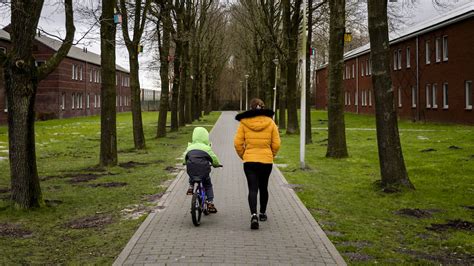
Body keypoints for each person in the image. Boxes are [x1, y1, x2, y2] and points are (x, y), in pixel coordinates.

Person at [234, 98, 281, 229]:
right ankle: (263, 213)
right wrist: (271, 154)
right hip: (266, 161)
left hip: (250, 161)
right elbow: (276, 143)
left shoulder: (244, 123)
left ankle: (253, 215)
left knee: (252, 188)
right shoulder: (271, 123)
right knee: (263, 187)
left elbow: (237, 143)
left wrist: (244, 155)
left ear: (251, 108)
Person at [184, 127, 221, 213]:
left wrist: (184, 162)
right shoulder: (207, 148)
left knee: (192, 172)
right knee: (208, 185)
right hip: (204, 171)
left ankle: (191, 186)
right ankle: (210, 202)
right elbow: (214, 159)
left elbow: (184, 158)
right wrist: (216, 164)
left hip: (192, 170)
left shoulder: (190, 147)